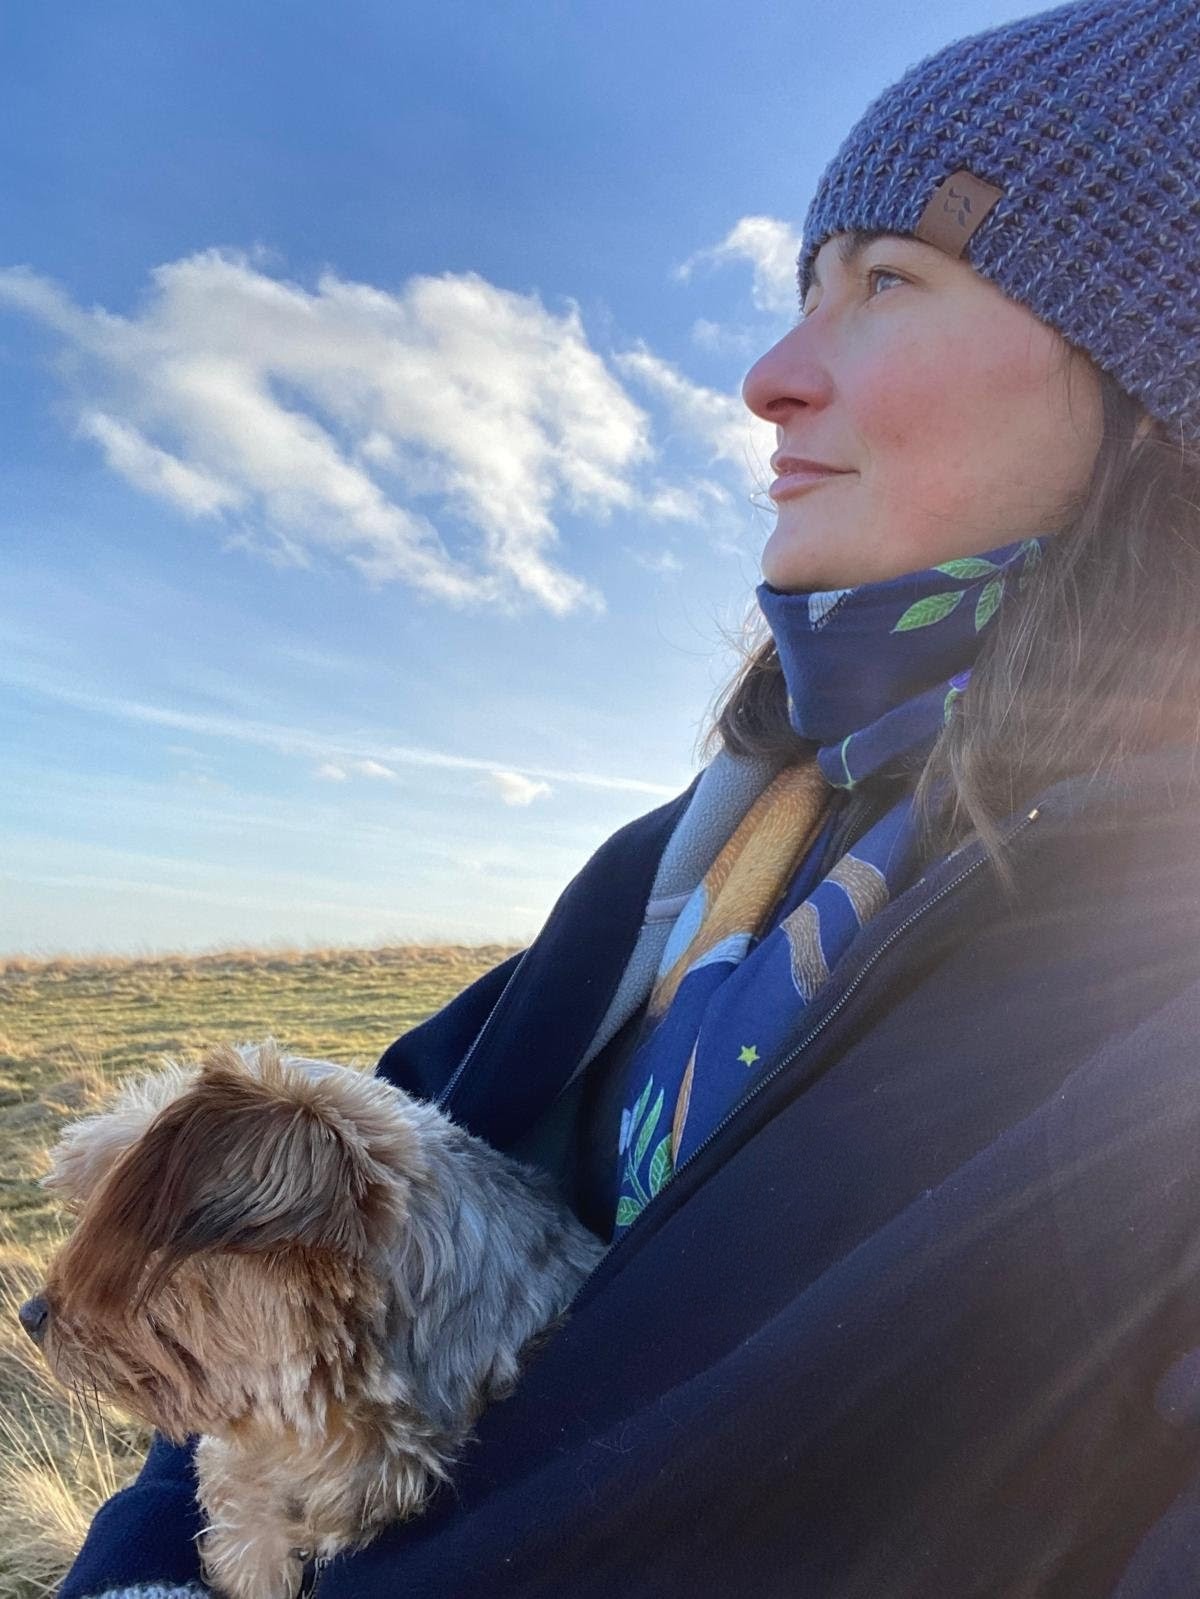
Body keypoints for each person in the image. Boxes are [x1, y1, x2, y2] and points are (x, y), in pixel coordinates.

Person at [58, 0, 1200, 1594]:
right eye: (804, 291)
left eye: (888, 281)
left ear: (1157, 377)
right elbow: (264, 1335)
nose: (770, 378)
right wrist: (142, 1575)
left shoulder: (1155, 973)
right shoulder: (675, 868)